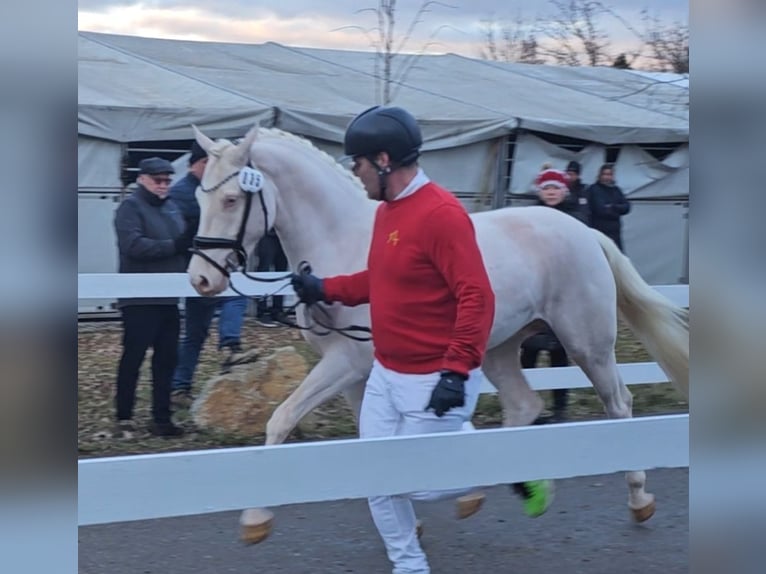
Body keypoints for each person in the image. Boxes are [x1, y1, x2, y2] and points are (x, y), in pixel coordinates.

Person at [290, 105, 553, 574]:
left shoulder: (441, 214)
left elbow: (478, 297)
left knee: (417, 484)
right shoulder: (388, 212)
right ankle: (409, 565)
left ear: (385, 160)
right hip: (386, 374)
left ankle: (512, 465)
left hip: (434, 378)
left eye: (359, 162)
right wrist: (325, 288)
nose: (355, 172)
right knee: (375, 474)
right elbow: (382, 278)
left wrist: (456, 369)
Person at [169, 142, 259, 408]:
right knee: (197, 331)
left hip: (210, 264)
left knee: (218, 314)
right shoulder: (187, 194)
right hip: (203, 264)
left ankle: (183, 384)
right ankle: (225, 351)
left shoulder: (197, 190)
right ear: (198, 164)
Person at [113, 157, 190, 438]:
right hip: (139, 298)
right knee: (133, 358)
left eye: (168, 180)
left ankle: (161, 417)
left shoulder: (172, 208)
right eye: (158, 180)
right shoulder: (129, 208)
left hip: (169, 297)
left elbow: (182, 242)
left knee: (167, 359)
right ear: (142, 179)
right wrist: (174, 246)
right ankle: (124, 416)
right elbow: (133, 245)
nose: (163, 185)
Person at [521, 168, 588, 423]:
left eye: (555, 188)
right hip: (534, 293)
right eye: (546, 188)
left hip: (563, 296)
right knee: (528, 352)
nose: (550, 192)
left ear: (564, 191)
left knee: (560, 352)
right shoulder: (527, 217)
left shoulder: (575, 218)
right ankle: (529, 404)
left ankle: (560, 406)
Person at [587, 163, 631, 251]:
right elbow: (600, 210)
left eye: (609, 174)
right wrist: (617, 209)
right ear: (600, 175)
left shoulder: (616, 190)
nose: (607, 177)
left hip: (615, 233)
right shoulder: (594, 189)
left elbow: (627, 207)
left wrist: (612, 206)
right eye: (605, 174)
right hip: (600, 231)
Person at [254, 229, 288, 327]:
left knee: (281, 273)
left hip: (282, 235)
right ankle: (261, 311)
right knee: (263, 272)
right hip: (267, 234)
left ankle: (278, 310)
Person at [565, 159, 590, 225]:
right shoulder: (563, 188)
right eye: (568, 174)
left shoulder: (584, 189)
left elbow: (584, 210)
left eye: (572, 174)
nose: (569, 177)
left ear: (578, 175)